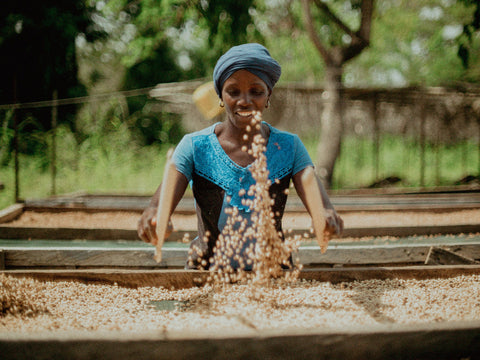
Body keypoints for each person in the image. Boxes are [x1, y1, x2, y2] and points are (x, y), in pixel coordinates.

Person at [137, 43, 343, 270]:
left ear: (268, 96)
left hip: (273, 276)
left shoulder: (288, 146)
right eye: (233, 91)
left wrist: (326, 218)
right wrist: (154, 217)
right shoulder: (195, 146)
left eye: (256, 91)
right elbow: (158, 204)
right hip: (207, 274)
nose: (244, 100)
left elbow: (321, 204)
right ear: (220, 96)